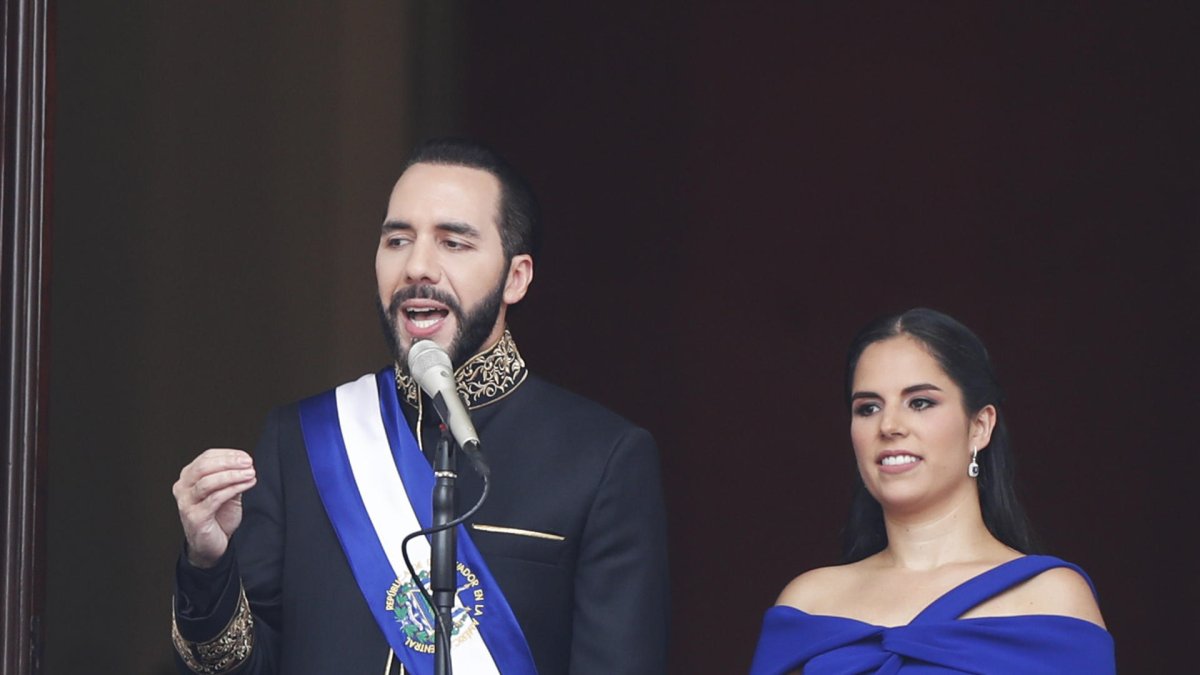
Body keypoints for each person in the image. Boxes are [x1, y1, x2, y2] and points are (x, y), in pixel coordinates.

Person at [170, 138, 670, 675]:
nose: (417, 266)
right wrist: (207, 564)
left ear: (515, 277)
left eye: (453, 242)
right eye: (398, 240)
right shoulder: (303, 440)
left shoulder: (600, 458)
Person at [749, 308, 1115, 674]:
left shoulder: (1052, 599)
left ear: (980, 427)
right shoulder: (808, 605)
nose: (889, 425)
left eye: (920, 402)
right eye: (868, 408)